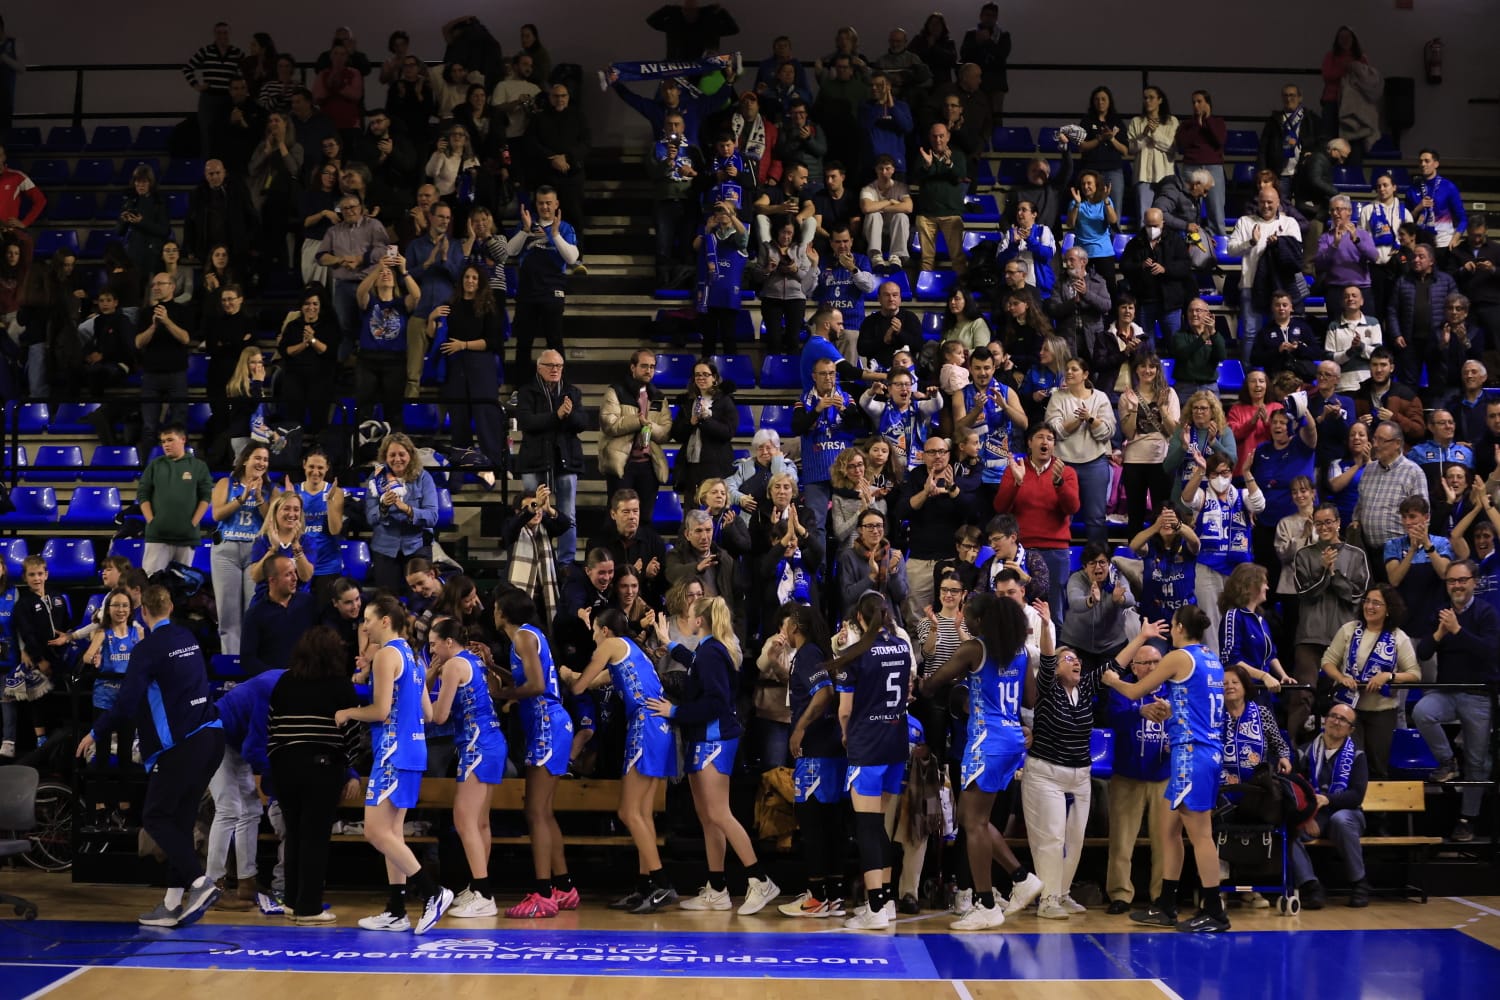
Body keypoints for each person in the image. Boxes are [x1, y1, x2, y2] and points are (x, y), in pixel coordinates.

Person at [76, 586, 226, 928]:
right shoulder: (187, 636)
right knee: (180, 821)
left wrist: (96, 731)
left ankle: (199, 883)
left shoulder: (146, 650)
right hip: (213, 736)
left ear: (143, 611)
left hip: (181, 745)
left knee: (156, 817)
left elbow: (127, 705)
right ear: (170, 606)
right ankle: (172, 904)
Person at [646, 596, 780, 916]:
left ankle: (759, 879)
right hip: (704, 739)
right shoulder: (707, 651)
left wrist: (675, 710)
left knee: (719, 814)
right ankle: (717, 888)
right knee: (708, 818)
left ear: (700, 621)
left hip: (714, 739)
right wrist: (670, 645)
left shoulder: (712, 653)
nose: (688, 618)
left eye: (692, 614)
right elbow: (694, 664)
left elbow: (716, 702)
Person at [918, 592, 1043, 928]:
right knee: (977, 818)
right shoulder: (1019, 652)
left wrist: (924, 683)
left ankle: (986, 903)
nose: (965, 620)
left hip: (986, 742)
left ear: (983, 620)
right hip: (1012, 739)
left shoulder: (975, 648)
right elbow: (1031, 697)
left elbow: (935, 683)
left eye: (968, 615)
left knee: (971, 824)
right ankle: (1020, 877)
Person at [1101, 605, 1228, 932]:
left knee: (1200, 836)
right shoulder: (1210, 658)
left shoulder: (1178, 657)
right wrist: (1171, 709)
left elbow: (1132, 691)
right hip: (1203, 752)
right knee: (1170, 832)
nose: (1170, 631)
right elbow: (1197, 701)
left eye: (1172, 626)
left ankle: (1215, 910)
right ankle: (1166, 905)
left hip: (1191, 753)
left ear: (1181, 627)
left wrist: (1113, 679)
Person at [334, 596, 450, 933]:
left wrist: (348, 712)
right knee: (393, 833)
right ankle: (397, 908)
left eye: (369, 619)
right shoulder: (413, 658)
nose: (364, 626)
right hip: (414, 751)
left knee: (375, 831)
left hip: (392, 752)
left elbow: (381, 711)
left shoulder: (387, 654)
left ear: (386, 621)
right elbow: (428, 715)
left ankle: (432, 892)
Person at [567, 610, 678, 913]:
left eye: (593, 632)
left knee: (628, 811)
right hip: (658, 727)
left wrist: (564, 677)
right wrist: (571, 676)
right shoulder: (633, 653)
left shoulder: (612, 644)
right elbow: (594, 681)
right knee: (642, 812)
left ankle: (662, 882)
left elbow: (580, 684)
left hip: (645, 724)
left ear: (604, 630)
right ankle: (645, 887)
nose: (593, 638)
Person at [490, 589, 578, 916]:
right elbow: (524, 678)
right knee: (544, 811)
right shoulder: (530, 636)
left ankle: (543, 893)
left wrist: (503, 694)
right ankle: (564, 886)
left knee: (535, 813)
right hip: (552, 724)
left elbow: (537, 686)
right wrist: (494, 668)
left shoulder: (523, 637)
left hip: (545, 724)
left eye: (496, 606)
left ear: (503, 611)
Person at [265, 626, 361, 924]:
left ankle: (292, 900)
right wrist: (348, 765)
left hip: (285, 766)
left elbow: (272, 727)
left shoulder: (284, 681)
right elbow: (352, 733)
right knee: (315, 837)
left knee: (294, 834)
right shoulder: (340, 684)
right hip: (322, 766)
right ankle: (309, 907)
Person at [425, 618, 508, 919]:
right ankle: (478, 887)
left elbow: (439, 715)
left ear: (449, 642)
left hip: (477, 745)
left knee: (464, 820)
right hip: (492, 741)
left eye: (434, 643)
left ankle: (484, 894)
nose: (431, 648)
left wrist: (426, 678)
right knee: (480, 822)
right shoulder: (472, 660)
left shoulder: (454, 666)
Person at [1413, 559, 1500, 842]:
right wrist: (1440, 631)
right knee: (1422, 711)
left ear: (1474, 582)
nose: (1457, 586)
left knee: (1477, 761)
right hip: (1447, 691)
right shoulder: (1441, 613)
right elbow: (1423, 653)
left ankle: (1467, 819)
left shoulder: (1487, 613)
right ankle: (1448, 762)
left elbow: (1490, 652)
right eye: (1452, 581)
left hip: (1478, 694)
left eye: (1462, 580)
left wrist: (1458, 631)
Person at [1104, 628, 1174, 914]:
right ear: (1134, 666)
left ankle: (1161, 894)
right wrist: (1138, 712)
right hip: (1127, 775)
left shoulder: (1174, 690)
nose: (1152, 668)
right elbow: (1113, 717)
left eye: (1157, 662)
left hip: (1163, 776)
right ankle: (1120, 894)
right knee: (1122, 839)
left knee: (1164, 840)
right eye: (1145, 663)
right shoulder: (1123, 688)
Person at [1321, 583, 1420, 781]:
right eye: (1367, 601)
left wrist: (1389, 677)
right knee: (1348, 765)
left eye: (1377, 603)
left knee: (1377, 767)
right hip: (1348, 709)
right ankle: (1347, 809)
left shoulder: (1399, 637)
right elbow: (1327, 661)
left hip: (1382, 711)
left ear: (1389, 609)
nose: (1370, 607)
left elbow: (1415, 674)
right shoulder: (1349, 629)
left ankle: (1376, 812)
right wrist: (1341, 678)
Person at [994, 423, 1080, 623]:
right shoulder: (1015, 469)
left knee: (1053, 613)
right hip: (1023, 550)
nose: (1045, 442)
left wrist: (1059, 484)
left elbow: (1073, 508)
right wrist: (1016, 483)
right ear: (1029, 442)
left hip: (1055, 551)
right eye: (1040, 437)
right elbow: (1000, 507)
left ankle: (1053, 653)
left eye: (1050, 438)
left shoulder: (1065, 472)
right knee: (1018, 611)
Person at [1289, 703, 1371, 910]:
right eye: (1333, 715)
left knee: (1340, 820)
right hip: (1313, 815)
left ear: (1351, 729)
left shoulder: (1358, 755)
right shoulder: (1304, 752)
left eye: (1343, 719)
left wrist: (1329, 800)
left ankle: (1359, 883)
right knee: (1286, 831)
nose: (1336, 721)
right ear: (1325, 720)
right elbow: (1293, 789)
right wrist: (1306, 818)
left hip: (1348, 814)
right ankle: (1311, 886)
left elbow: (1356, 796)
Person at [515, 351, 585, 569]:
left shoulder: (571, 392)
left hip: (565, 460)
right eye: (550, 365)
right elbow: (527, 422)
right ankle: (533, 554)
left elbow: (582, 422)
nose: (555, 369)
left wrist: (569, 414)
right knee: (532, 509)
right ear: (539, 367)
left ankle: (566, 561)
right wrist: (557, 416)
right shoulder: (527, 392)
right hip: (533, 460)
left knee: (567, 514)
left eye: (559, 365)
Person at [506, 187, 578, 378]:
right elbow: (510, 251)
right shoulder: (526, 224)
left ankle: (559, 389)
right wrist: (525, 230)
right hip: (527, 291)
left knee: (555, 342)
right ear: (535, 204)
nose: (545, 207)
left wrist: (554, 235)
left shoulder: (565, 227)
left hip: (552, 291)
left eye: (548, 202)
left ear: (556, 204)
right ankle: (520, 390)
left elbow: (571, 258)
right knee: (523, 343)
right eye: (541, 203)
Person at [1046, 357, 1115, 547]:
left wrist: (1090, 419)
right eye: (1067, 369)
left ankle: (1099, 560)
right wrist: (1078, 420)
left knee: (1095, 518)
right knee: (1062, 515)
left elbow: (1107, 432)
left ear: (1085, 374)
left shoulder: (1100, 397)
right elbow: (1055, 431)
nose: (1068, 372)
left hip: (1095, 462)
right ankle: (1060, 557)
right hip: (1063, 463)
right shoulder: (1058, 397)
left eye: (1074, 369)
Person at [364, 432, 439, 595]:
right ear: (385, 457)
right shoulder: (375, 479)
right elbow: (370, 517)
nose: (397, 459)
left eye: (401, 454)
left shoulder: (424, 478)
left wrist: (406, 508)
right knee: (388, 599)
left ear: (410, 455)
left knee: (421, 597)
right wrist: (383, 506)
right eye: (392, 455)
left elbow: (432, 517)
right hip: (384, 548)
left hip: (417, 546)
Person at [137, 424, 213, 576]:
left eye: (170, 440)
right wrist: (151, 521)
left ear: (183, 439)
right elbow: (142, 494)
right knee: (152, 582)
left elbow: (206, 496)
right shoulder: (155, 465)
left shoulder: (198, 466)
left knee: (182, 586)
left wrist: (193, 523)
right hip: (157, 536)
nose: (166, 444)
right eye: (163, 441)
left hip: (187, 537)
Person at [1408, 148, 1466, 250]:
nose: (1423, 164)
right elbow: (1406, 221)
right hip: (1420, 246)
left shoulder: (1448, 187)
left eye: (1427, 161)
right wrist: (1418, 209)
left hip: (1444, 244)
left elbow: (1463, 219)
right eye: (1420, 161)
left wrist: (1455, 239)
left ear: (1436, 164)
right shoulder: (1412, 189)